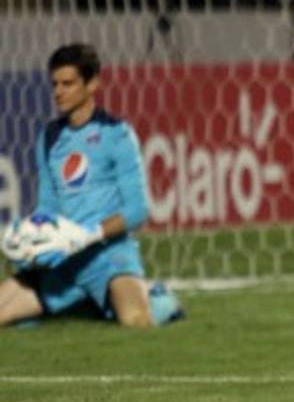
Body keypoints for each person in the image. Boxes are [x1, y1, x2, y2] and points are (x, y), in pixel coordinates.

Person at [0, 44, 183, 328]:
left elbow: (137, 210)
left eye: (68, 83)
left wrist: (87, 235)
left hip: (108, 256)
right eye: (55, 84)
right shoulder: (48, 137)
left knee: (136, 321)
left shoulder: (117, 134)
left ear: (92, 83)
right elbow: (48, 205)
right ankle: (82, 303)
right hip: (65, 263)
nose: (58, 92)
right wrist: (33, 237)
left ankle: (158, 298)